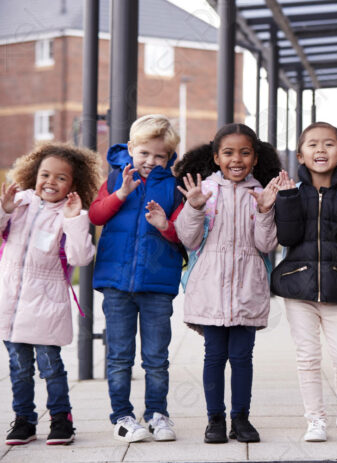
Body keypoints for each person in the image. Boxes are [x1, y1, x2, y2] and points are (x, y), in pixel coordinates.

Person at [174, 123, 281, 444]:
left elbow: (267, 244)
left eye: (245, 152)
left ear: (255, 157)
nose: (237, 159)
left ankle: (241, 419)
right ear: (217, 157)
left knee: (243, 358)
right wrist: (193, 207)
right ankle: (215, 420)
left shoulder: (261, 193)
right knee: (214, 357)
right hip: (209, 289)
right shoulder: (202, 190)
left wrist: (264, 210)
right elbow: (188, 239)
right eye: (229, 153)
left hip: (248, 287)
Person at [271, 121, 337, 442]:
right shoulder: (292, 193)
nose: (320, 149)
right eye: (312, 144)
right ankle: (315, 419)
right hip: (298, 287)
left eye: (329, 144)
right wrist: (285, 200)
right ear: (300, 156)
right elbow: (286, 237)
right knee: (308, 357)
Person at [89, 114, 183, 443]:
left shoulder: (173, 186)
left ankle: (157, 413)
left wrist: (165, 226)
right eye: (144, 153)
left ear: (169, 157)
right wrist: (120, 194)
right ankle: (122, 416)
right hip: (117, 285)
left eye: (160, 156)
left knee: (156, 357)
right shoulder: (116, 177)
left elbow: (184, 235)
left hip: (157, 286)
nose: (150, 161)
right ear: (131, 148)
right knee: (118, 356)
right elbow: (96, 215)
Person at [0, 143, 101, 445]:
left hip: (46, 302)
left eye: (61, 178)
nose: (51, 182)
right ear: (34, 174)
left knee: (50, 367)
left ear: (74, 184)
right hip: (10, 300)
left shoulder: (69, 214)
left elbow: (81, 257)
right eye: (45, 175)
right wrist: (3, 210)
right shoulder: (19, 204)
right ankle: (24, 420)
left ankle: (61, 419)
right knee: (18, 369)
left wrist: (74, 220)